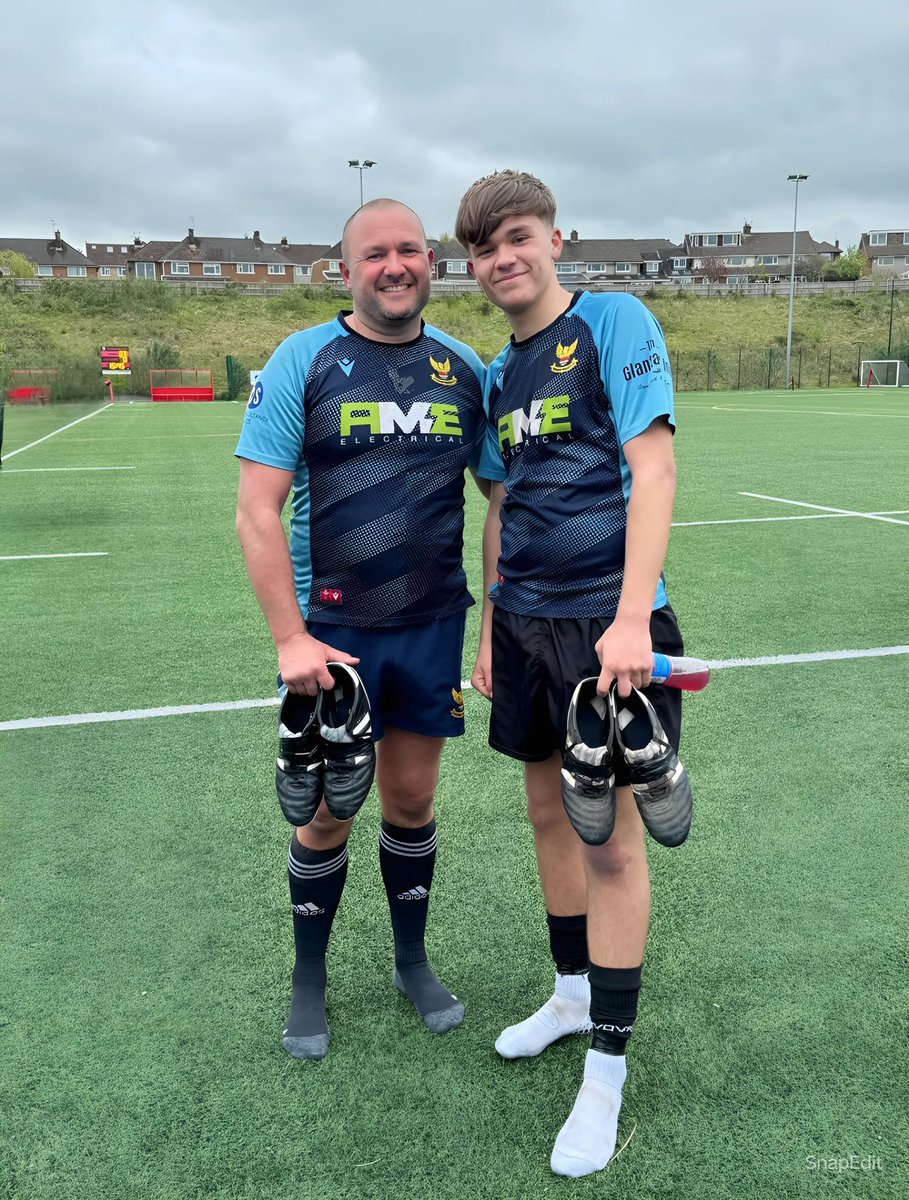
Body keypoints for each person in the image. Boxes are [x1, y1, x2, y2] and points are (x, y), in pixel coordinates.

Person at [455, 170, 688, 1177]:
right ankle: (570, 993)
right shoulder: (499, 373)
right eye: (480, 248)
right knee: (550, 816)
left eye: (514, 238)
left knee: (613, 846)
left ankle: (607, 1075)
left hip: (609, 623)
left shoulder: (615, 322)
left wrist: (633, 617)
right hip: (529, 625)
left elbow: (655, 466)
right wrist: (491, 627)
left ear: (555, 238)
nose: (499, 259)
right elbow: (500, 509)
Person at [235, 198, 503, 1060]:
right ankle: (307, 978)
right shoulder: (304, 359)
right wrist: (289, 639)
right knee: (322, 813)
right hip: (330, 634)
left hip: (429, 627)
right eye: (375, 253)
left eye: (410, 251)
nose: (396, 265)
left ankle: (410, 959)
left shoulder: (463, 366)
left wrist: (492, 620)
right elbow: (257, 511)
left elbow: (500, 499)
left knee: (413, 803)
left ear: (432, 263)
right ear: (344, 269)